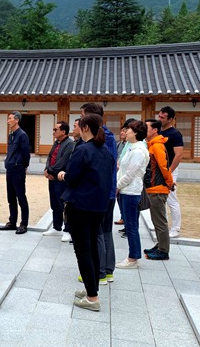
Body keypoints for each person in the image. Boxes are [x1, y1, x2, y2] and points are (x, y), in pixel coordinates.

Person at [57, 114, 114, 312]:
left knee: (83, 252)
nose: (77, 129)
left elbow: (72, 177)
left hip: (80, 206)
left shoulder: (82, 150)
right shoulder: (105, 151)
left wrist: (62, 174)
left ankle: (92, 297)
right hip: (98, 206)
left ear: (86, 128)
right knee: (92, 249)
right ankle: (93, 288)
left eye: (79, 125)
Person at [80, 103, 117, 285]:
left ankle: (99, 271)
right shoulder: (109, 136)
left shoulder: (101, 139)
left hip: (100, 192)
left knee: (98, 232)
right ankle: (108, 270)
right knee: (106, 231)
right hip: (109, 191)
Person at [115, 120, 149, 268]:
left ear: (135, 132)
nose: (125, 132)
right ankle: (132, 256)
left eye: (128, 129)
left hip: (131, 191)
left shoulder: (139, 151)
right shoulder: (131, 148)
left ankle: (133, 258)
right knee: (130, 225)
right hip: (125, 190)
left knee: (131, 226)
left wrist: (116, 186)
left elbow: (130, 174)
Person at [143, 119, 174, 260]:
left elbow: (164, 167)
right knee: (156, 220)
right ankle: (160, 245)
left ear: (155, 130)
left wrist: (169, 183)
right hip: (153, 188)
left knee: (160, 221)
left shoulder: (157, 146)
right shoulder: (152, 145)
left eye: (146, 127)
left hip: (158, 188)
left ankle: (163, 250)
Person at [0, 111, 31, 234]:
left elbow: (25, 153)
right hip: (10, 168)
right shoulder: (11, 135)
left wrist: (24, 166)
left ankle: (24, 224)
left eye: (10, 118)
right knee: (11, 197)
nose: (8, 121)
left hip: (18, 168)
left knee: (21, 197)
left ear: (17, 120)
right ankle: (12, 222)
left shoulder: (22, 135)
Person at [43, 121, 75, 240]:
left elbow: (63, 161)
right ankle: (56, 227)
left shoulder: (69, 144)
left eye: (56, 129)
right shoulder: (56, 143)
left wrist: (51, 171)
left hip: (61, 178)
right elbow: (50, 157)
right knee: (54, 203)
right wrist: (47, 169)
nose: (54, 132)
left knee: (63, 204)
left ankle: (67, 229)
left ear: (63, 132)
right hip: (52, 177)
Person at [158, 106, 184, 238]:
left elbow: (178, 155)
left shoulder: (175, 134)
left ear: (171, 119)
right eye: (159, 116)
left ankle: (176, 228)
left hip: (170, 169)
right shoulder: (158, 132)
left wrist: (170, 171)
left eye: (163, 117)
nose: (160, 118)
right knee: (159, 199)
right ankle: (163, 226)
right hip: (158, 170)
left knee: (171, 200)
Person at [115, 118, 136, 227]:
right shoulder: (119, 144)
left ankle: (127, 223)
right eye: (122, 130)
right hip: (119, 173)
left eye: (126, 130)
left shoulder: (134, 146)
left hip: (127, 178)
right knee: (120, 199)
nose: (124, 132)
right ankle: (123, 218)